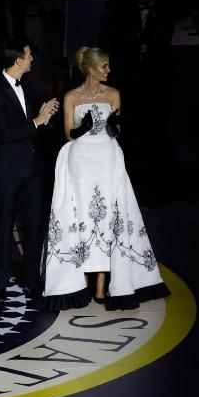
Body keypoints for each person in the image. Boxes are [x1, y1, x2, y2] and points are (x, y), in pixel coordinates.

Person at [42, 47, 169, 310]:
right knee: (83, 219)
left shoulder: (113, 94)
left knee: (110, 217)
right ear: (90, 69)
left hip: (107, 160)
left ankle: (102, 285)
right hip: (80, 163)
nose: (108, 71)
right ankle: (77, 280)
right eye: (104, 67)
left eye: (108, 66)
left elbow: (116, 131)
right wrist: (82, 129)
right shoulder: (71, 97)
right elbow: (67, 133)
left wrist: (112, 126)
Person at [0, 39, 59, 301]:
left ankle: (31, 278)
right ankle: (0, 279)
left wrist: (44, 119)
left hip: (32, 169)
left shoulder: (28, 86)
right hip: (7, 171)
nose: (32, 60)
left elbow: (31, 125)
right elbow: (4, 133)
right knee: (4, 226)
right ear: (18, 60)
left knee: (33, 226)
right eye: (28, 56)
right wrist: (36, 121)